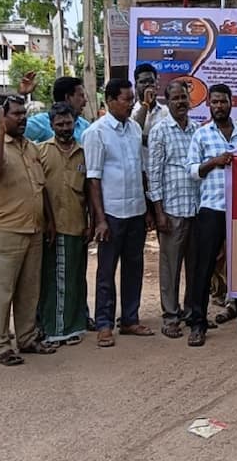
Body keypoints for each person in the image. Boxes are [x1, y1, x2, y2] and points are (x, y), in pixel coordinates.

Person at [0, 94, 56, 366]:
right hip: (5, 229)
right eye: (15, 114)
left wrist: (50, 220)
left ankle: (26, 338)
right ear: (2, 117)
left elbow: (41, 186)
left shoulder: (31, 147)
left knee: (29, 290)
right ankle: (0, 346)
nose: (22, 118)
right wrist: (0, 132)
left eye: (24, 113)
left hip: (33, 229)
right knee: (2, 291)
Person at [185, 84, 237, 347]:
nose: (218, 106)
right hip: (211, 209)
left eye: (223, 102)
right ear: (209, 106)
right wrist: (215, 161)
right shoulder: (202, 135)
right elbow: (192, 171)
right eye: (214, 102)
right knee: (203, 268)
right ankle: (197, 323)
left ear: (231, 103)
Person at [84, 78, 154, 348]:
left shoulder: (135, 130)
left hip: (135, 210)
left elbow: (141, 171)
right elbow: (93, 179)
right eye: (126, 99)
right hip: (111, 213)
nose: (131, 104)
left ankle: (129, 319)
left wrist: (147, 209)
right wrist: (99, 219)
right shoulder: (97, 132)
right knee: (106, 271)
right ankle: (104, 323)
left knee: (134, 267)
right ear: (110, 100)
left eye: (131, 99)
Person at [148, 80, 200, 339]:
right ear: (167, 102)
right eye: (175, 98)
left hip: (195, 208)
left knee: (194, 265)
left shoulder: (198, 130)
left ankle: (191, 313)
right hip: (171, 210)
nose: (180, 102)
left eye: (184, 97)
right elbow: (154, 173)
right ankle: (170, 316)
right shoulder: (160, 131)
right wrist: (158, 212)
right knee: (170, 267)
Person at [37, 102, 90, 345]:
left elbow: (90, 191)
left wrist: (91, 221)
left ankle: (75, 325)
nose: (65, 128)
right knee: (57, 280)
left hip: (78, 224)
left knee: (76, 277)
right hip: (53, 227)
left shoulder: (83, 151)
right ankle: (56, 330)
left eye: (69, 123)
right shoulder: (41, 152)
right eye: (60, 124)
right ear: (51, 126)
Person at [25, 76, 91, 143]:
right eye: (81, 96)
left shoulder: (85, 126)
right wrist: (21, 95)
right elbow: (16, 134)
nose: (85, 100)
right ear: (68, 97)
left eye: (69, 123)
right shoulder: (41, 122)